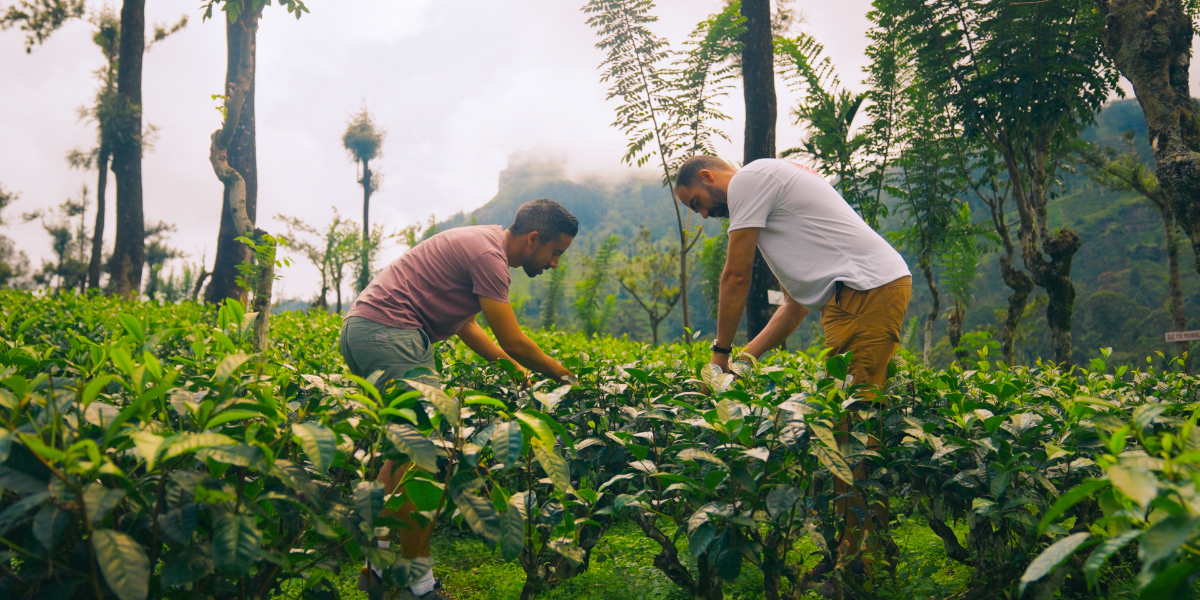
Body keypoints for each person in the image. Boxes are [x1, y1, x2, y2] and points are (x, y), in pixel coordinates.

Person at [674, 155, 911, 585]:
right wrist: (746, 361)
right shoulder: (768, 196)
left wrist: (720, 353)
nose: (705, 215)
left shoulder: (749, 181)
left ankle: (859, 561)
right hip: (845, 300)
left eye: (697, 203)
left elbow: (735, 278)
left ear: (708, 177)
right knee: (842, 424)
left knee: (852, 429)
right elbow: (795, 304)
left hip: (868, 290)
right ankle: (852, 549)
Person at [340, 199, 579, 600]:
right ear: (534, 238)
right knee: (429, 461)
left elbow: (468, 325)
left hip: (368, 330)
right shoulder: (490, 256)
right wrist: (562, 373)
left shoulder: (482, 242)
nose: (555, 263)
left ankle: (376, 570)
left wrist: (511, 369)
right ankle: (418, 587)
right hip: (391, 333)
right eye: (555, 253)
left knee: (400, 457)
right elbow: (513, 339)